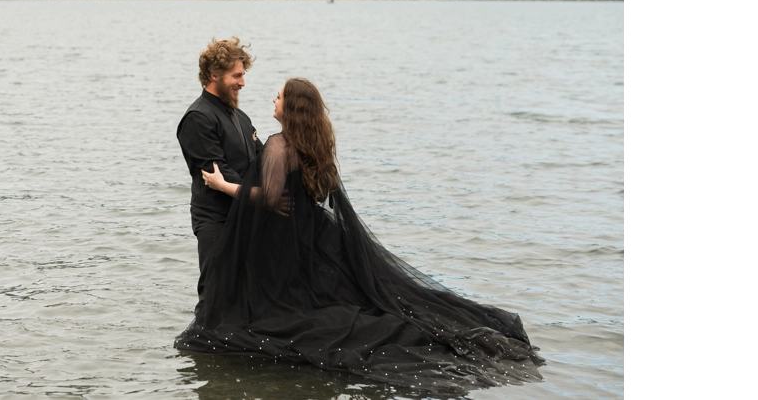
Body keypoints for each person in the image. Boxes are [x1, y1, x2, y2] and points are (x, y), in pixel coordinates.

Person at [175, 78, 544, 396]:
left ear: (291, 108)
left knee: (287, 314)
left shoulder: (279, 145)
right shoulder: (313, 144)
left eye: (278, 96)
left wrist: (224, 185)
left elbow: (271, 198)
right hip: (307, 238)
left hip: (283, 243)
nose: (272, 100)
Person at [176, 37, 264, 312]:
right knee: (216, 294)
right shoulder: (198, 118)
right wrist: (264, 196)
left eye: (243, 75)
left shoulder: (240, 116)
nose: (242, 82)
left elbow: (262, 158)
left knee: (249, 293)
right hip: (216, 219)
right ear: (214, 75)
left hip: (246, 214)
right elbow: (218, 173)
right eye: (237, 75)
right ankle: (204, 351)